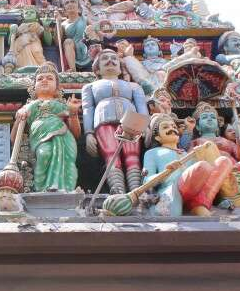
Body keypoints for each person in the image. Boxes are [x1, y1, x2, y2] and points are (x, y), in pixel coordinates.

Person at [81, 50, 148, 194]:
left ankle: (136, 191)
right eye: (104, 58)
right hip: (104, 122)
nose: (110, 60)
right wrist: (88, 133)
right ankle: (118, 192)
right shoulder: (90, 87)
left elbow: (141, 106)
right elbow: (87, 109)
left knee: (132, 155)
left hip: (131, 120)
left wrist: (145, 125)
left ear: (120, 68)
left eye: (114, 58)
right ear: (97, 69)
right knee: (111, 155)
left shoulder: (133, 86)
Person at [12, 64, 81, 192]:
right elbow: (14, 138)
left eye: (49, 78)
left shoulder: (62, 105)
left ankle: (62, 188)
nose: (44, 80)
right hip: (39, 138)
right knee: (44, 154)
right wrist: (19, 119)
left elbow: (76, 134)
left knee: (65, 160)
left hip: (64, 138)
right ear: (33, 87)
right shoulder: (29, 106)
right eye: (40, 78)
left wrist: (73, 112)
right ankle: (42, 189)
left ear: (57, 87)